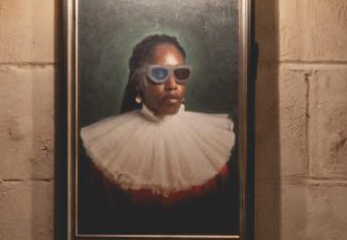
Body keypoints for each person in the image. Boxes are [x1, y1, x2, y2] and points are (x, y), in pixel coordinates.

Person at [79, 31, 235, 209]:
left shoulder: (210, 145)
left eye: (180, 73)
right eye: (159, 74)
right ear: (138, 82)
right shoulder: (106, 151)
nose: (172, 85)